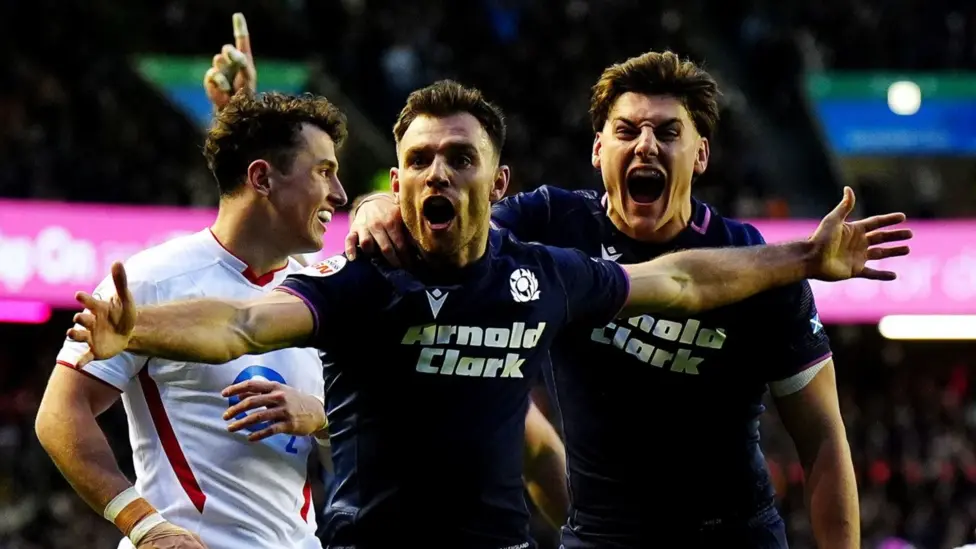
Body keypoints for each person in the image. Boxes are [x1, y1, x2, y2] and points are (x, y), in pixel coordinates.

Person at [66, 79, 908, 549]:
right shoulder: (366, 282)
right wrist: (135, 328)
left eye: (460, 158)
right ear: (397, 183)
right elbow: (243, 323)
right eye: (419, 161)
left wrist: (805, 257)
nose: (438, 174)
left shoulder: (543, 276)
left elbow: (681, 283)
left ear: (497, 183)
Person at [348, 52, 910, 548]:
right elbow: (453, 223)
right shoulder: (552, 223)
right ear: (598, 150)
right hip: (599, 537)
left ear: (701, 154)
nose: (645, 144)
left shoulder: (755, 263)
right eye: (627, 130)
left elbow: (823, 439)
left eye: (667, 132)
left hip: (733, 534)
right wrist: (376, 205)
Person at [200, 15, 573, 534]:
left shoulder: (364, 268)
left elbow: (524, 442)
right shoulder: (340, 279)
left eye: (337, 176)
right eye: (322, 173)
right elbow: (240, 309)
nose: (337, 195)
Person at [33, 17, 347, 549]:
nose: (339, 194)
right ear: (261, 178)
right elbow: (59, 412)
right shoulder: (151, 279)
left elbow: (369, 431)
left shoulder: (322, 292)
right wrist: (144, 525)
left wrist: (317, 417)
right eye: (323, 171)